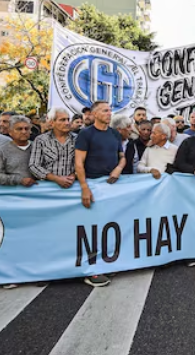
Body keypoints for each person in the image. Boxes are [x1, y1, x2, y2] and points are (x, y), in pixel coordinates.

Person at [75, 101, 126, 288]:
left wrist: (118, 169)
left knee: (110, 224)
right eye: (105, 110)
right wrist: (84, 187)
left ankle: (107, 261)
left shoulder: (114, 133)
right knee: (92, 228)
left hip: (112, 185)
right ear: (95, 114)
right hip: (93, 184)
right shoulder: (85, 134)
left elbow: (122, 157)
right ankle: (93, 269)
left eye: (110, 110)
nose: (109, 113)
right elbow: (79, 163)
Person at [29, 108, 76, 189]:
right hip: (48, 188)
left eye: (68, 119)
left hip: (72, 187)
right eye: (62, 120)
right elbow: (34, 166)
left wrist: (73, 175)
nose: (67, 123)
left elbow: (83, 163)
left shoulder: (77, 139)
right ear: (52, 122)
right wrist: (56, 179)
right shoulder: (41, 140)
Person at [0, 115, 37, 187]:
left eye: (26, 129)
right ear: (10, 132)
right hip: (13, 194)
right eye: (19, 129)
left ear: (30, 131)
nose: (24, 132)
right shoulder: (2, 151)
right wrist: (19, 180)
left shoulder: (39, 148)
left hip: (38, 193)